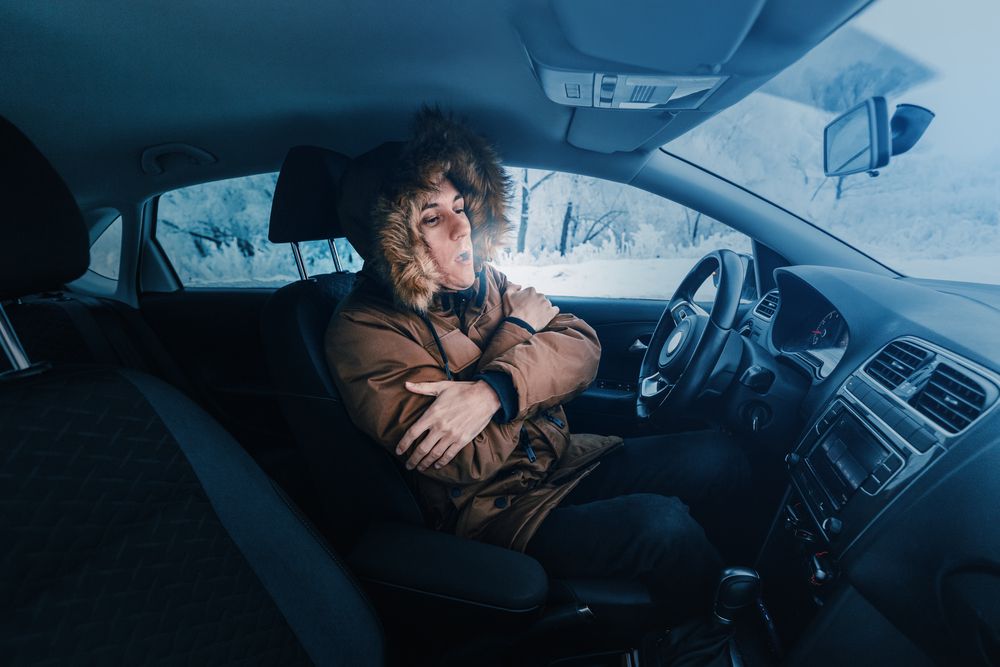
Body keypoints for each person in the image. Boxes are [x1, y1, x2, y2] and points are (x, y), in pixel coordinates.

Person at [325, 109, 750, 620]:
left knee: (717, 457)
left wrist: (492, 393)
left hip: (559, 461)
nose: (464, 228)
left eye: (461, 206)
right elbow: (461, 460)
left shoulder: (487, 282)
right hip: (494, 511)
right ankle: (703, 638)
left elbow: (582, 345)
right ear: (390, 243)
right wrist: (517, 341)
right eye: (432, 218)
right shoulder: (365, 332)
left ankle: (750, 584)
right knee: (663, 526)